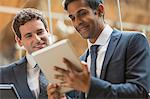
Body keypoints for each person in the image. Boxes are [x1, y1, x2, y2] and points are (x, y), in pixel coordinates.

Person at [47, 0, 150, 99]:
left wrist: (89, 86)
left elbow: (140, 92)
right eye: (72, 18)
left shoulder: (133, 41)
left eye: (82, 13)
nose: (77, 22)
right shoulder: (81, 60)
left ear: (100, 10)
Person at [0, 8, 50, 99]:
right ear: (19, 41)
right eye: (29, 36)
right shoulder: (3, 75)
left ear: (47, 31)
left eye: (40, 32)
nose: (37, 39)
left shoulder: (70, 66)